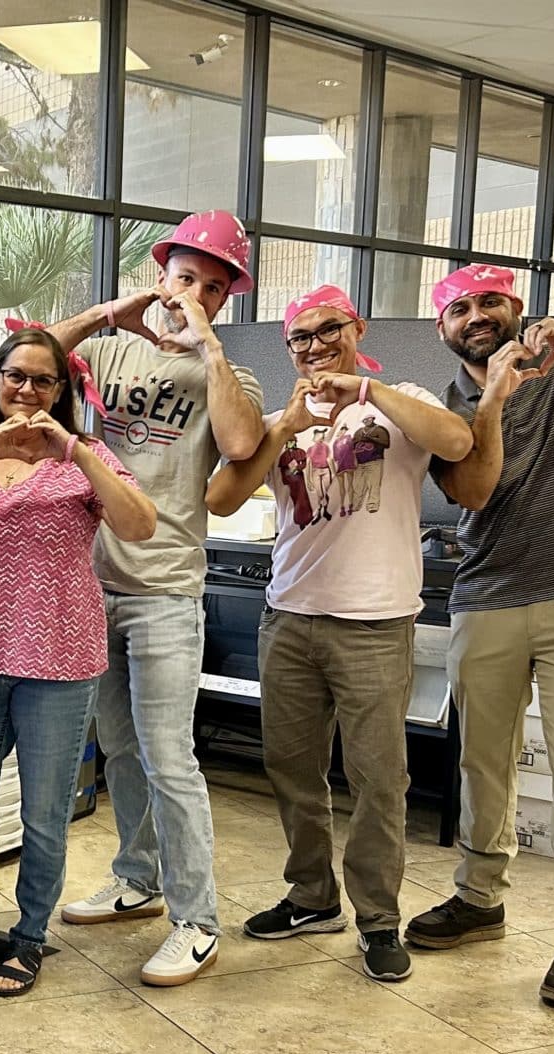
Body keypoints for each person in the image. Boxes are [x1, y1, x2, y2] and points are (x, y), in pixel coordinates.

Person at [206, 284, 472, 983]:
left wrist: (366, 389)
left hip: (375, 624)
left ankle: (378, 919)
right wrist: (283, 430)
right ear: (288, 347)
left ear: (358, 327)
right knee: (292, 768)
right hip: (289, 616)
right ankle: (311, 897)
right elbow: (221, 497)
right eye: (302, 336)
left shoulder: (402, 396)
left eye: (330, 330)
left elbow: (456, 441)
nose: (316, 345)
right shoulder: (281, 418)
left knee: (379, 780)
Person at [407, 265, 554, 1009]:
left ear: (517, 308)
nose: (476, 315)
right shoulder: (446, 408)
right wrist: (494, 400)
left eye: (490, 302)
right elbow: (473, 491)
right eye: (459, 308)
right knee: (482, 765)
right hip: (487, 597)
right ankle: (479, 897)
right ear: (443, 328)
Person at [52, 209, 265, 986]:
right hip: (90, 585)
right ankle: (137, 879)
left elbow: (241, 445)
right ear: (161, 274)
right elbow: (29, 357)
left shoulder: (228, 377)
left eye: (214, 288)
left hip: (168, 593)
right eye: (186, 279)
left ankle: (197, 920)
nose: (195, 295)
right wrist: (112, 312)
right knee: (119, 749)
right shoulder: (106, 353)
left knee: (170, 756)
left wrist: (206, 343)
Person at [0, 327, 155, 997]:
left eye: (42, 379)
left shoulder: (84, 457)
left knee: (43, 814)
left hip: (60, 656)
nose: (26, 388)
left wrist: (75, 449)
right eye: (14, 375)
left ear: (62, 389)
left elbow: (139, 525)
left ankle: (29, 937)